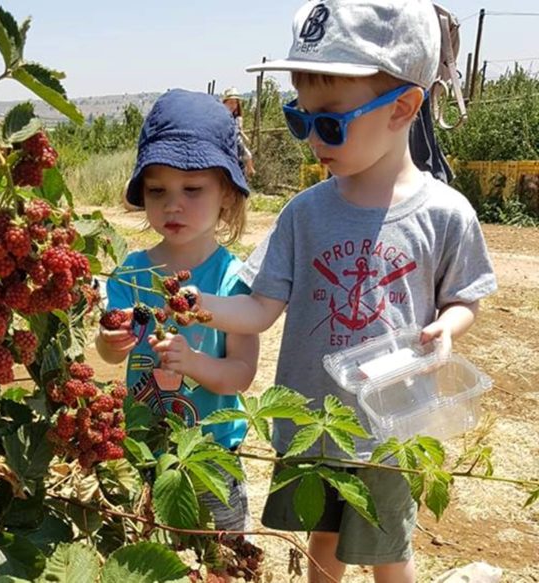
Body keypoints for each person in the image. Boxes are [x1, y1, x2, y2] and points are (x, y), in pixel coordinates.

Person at [186, 1, 497, 581]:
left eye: (328, 123)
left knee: (389, 552)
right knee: (320, 545)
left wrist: (447, 330)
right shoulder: (304, 215)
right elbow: (260, 307)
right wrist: (197, 304)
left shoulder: (445, 214)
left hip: (391, 428)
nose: (312, 139)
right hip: (313, 425)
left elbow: (464, 297)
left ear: (403, 108)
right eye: (299, 119)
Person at [96, 89, 260, 531]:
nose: (173, 204)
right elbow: (111, 355)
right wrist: (110, 341)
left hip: (211, 453)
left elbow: (242, 373)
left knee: (220, 554)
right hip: (143, 445)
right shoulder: (131, 272)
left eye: (192, 189)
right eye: (157, 190)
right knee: (149, 548)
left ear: (226, 193)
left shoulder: (234, 280)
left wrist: (194, 363)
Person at [222, 87, 256, 178]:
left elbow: (238, 131)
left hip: (236, 145)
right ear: (224, 103)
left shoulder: (237, 118)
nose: (233, 105)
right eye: (230, 102)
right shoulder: (220, 117)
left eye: (235, 102)